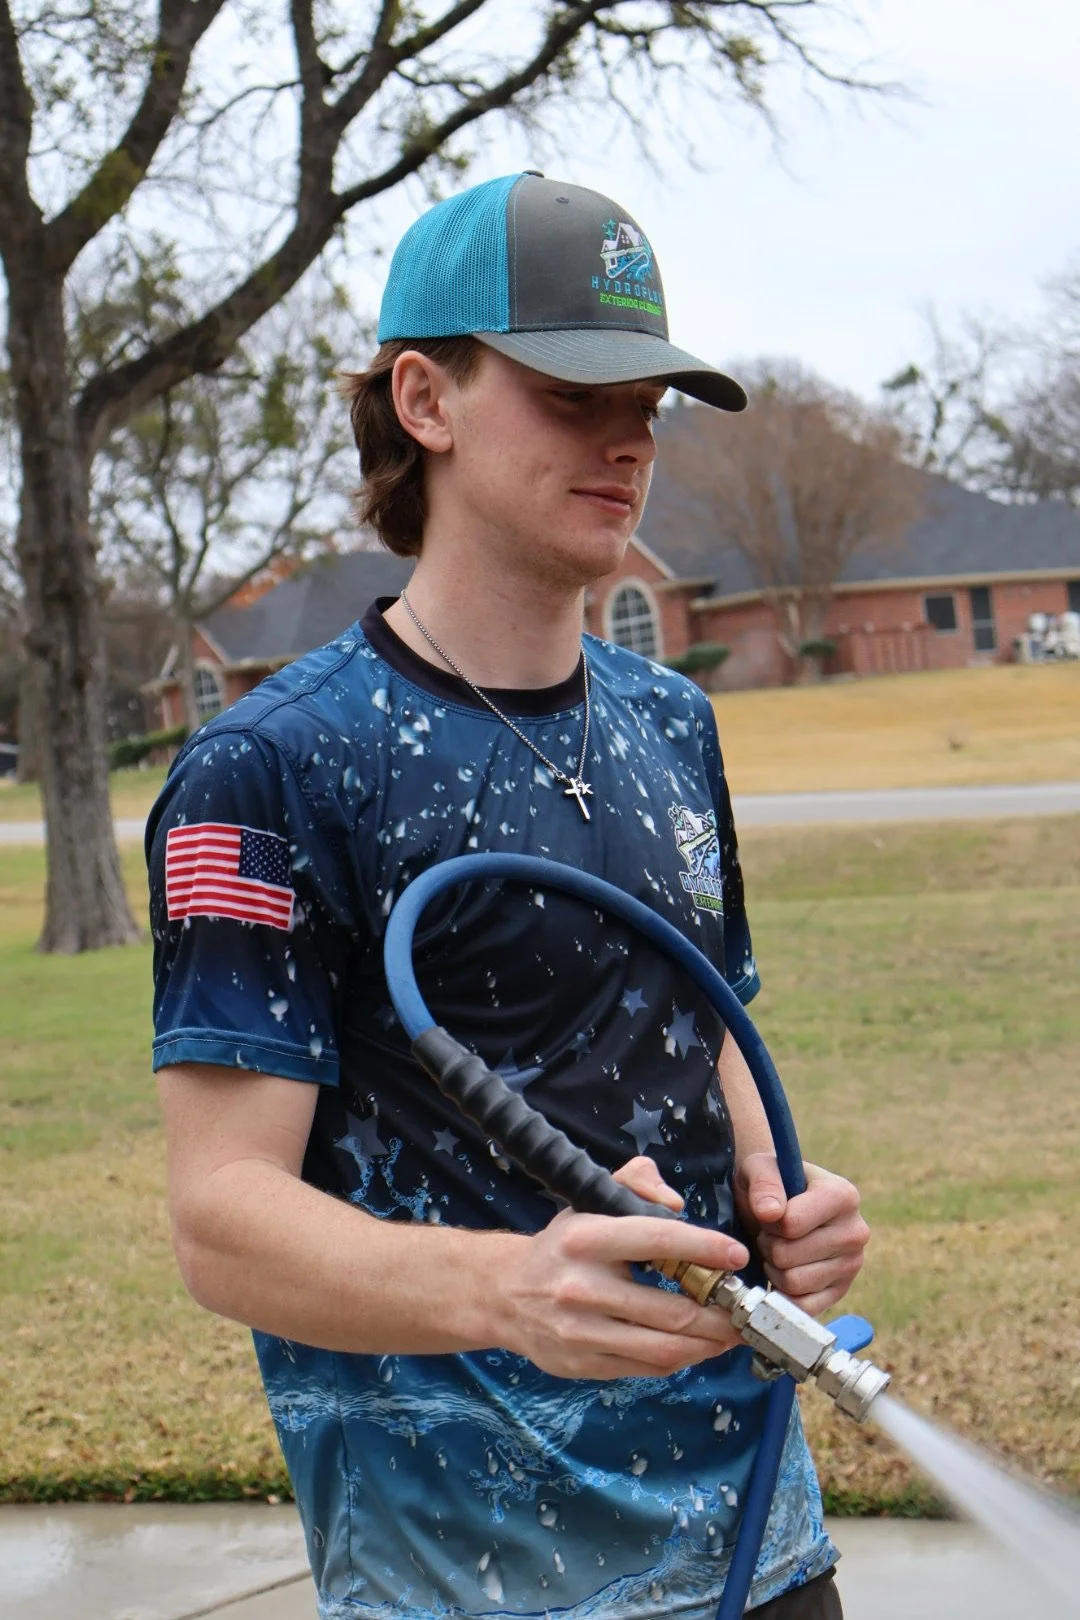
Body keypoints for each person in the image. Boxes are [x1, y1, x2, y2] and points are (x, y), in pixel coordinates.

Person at [148, 172, 870, 1620]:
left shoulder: (672, 720)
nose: (630, 438)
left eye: (651, 400)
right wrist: (504, 1290)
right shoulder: (271, 765)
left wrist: (779, 1198)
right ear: (427, 398)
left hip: (757, 1539)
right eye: (571, 392)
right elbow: (220, 1219)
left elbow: (703, 1012)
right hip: (471, 1578)